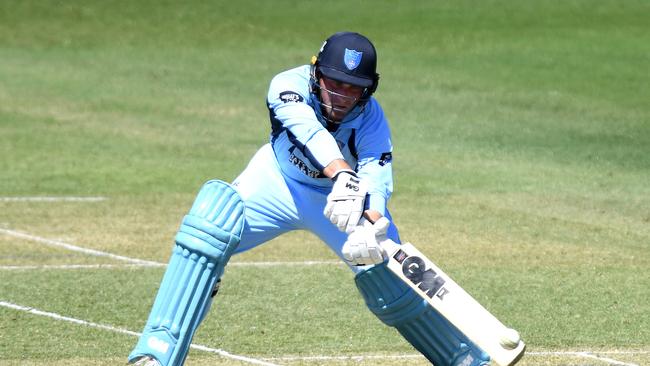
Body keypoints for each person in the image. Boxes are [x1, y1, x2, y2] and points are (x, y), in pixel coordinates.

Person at [128, 32, 490, 366]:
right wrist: (343, 174)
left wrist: (374, 223)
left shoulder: (372, 118)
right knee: (210, 225)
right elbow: (308, 130)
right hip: (274, 181)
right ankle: (156, 354)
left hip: (341, 203)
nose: (342, 96)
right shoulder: (287, 85)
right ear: (316, 73)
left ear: (368, 89)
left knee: (388, 274)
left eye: (354, 88)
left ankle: (465, 358)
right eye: (335, 83)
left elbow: (377, 173)